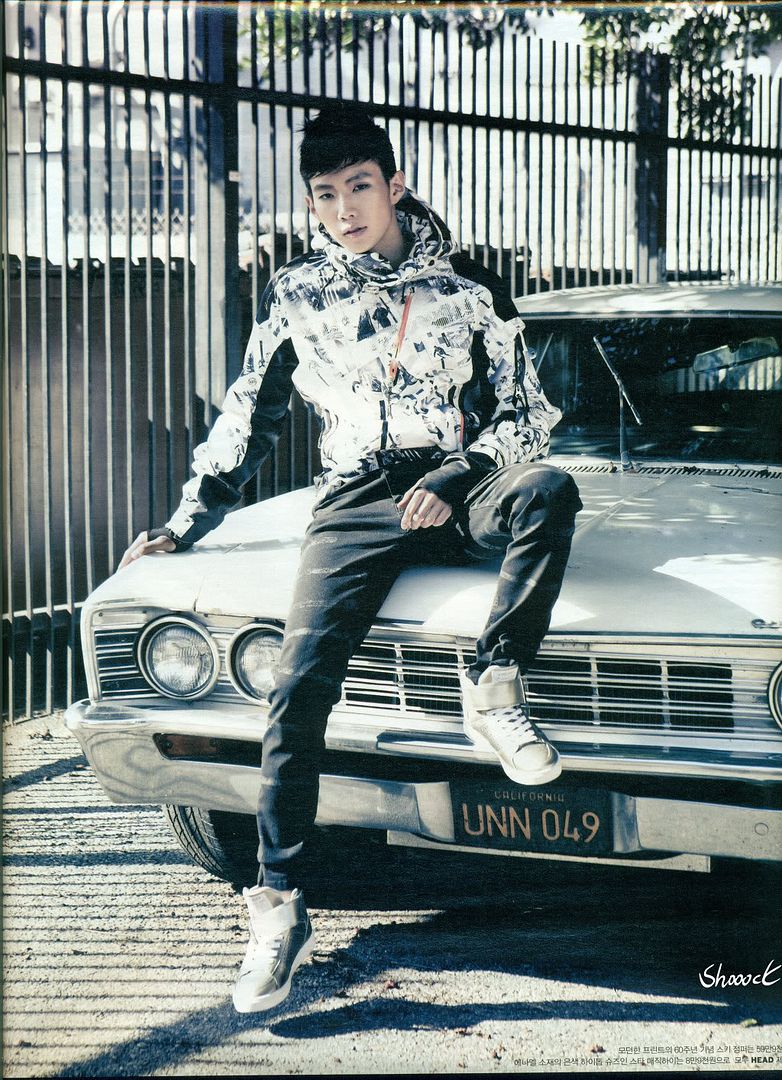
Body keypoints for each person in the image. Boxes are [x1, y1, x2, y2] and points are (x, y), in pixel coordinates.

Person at [119, 106, 582, 1014]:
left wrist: (458, 473)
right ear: (312, 203)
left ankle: (494, 686)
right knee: (296, 691)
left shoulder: (472, 285)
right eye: (326, 195)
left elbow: (527, 416)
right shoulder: (297, 294)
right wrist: (185, 523)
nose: (344, 209)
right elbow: (249, 415)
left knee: (550, 492)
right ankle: (278, 905)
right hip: (356, 500)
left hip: (456, 483)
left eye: (360, 187)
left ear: (395, 185)